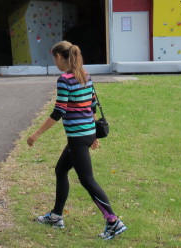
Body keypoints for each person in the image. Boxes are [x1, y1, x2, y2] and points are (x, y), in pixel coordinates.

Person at [27, 40, 127, 241]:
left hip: (78, 137)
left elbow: (59, 111)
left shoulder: (64, 79)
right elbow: (91, 106)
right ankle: (56, 216)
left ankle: (113, 221)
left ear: (58, 57)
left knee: (87, 180)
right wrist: (93, 135)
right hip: (86, 133)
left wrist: (36, 134)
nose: (54, 62)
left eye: (53, 58)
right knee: (61, 170)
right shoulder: (85, 74)